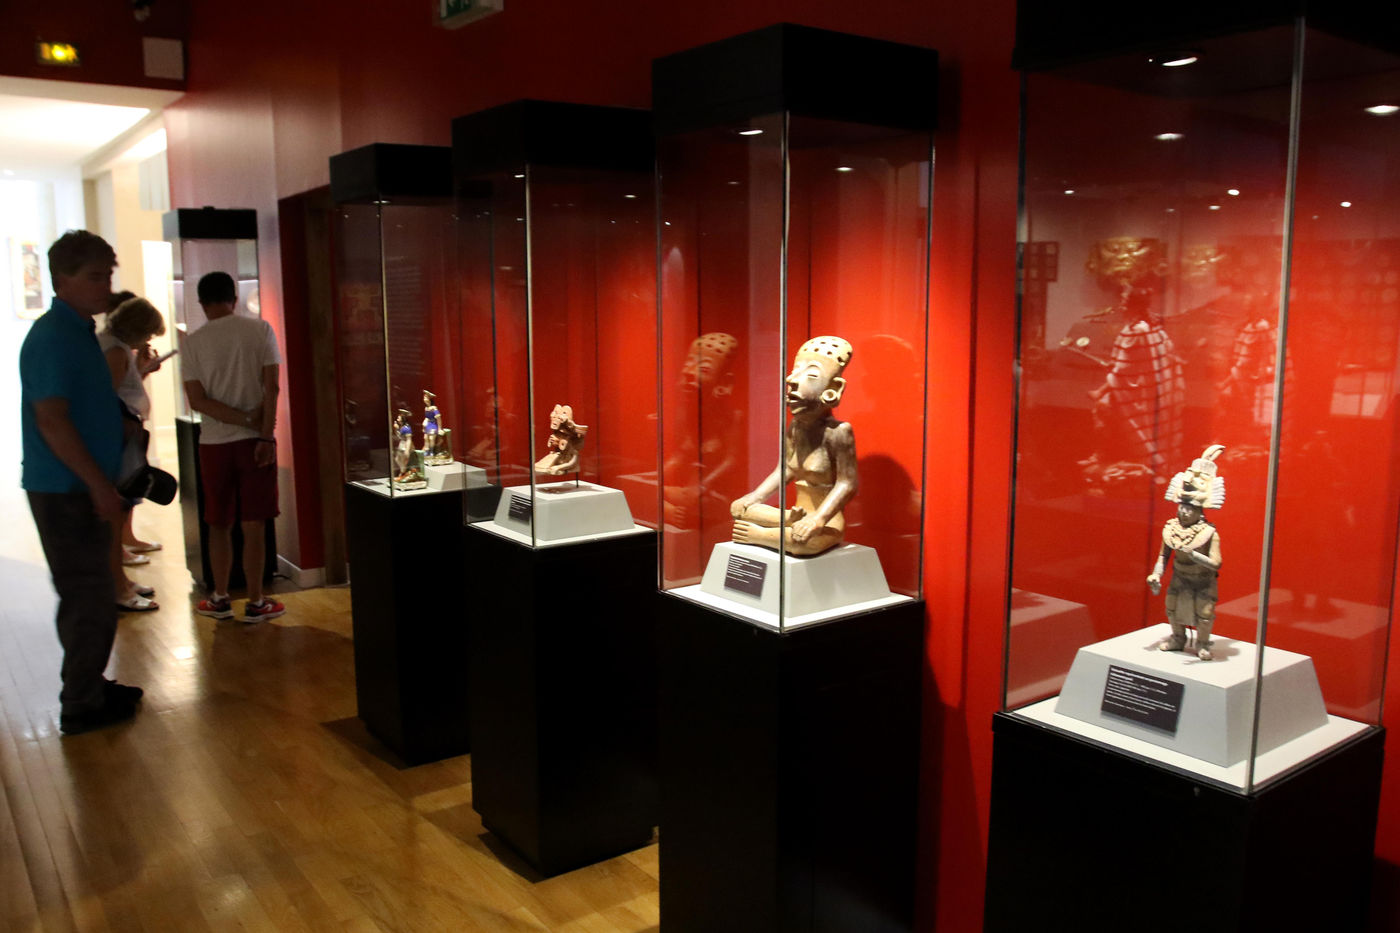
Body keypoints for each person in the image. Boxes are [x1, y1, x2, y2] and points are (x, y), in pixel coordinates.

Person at [20, 230, 143, 734]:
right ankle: (81, 702)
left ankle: (91, 683)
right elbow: (51, 419)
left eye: (108, 275)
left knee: (95, 591)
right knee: (87, 597)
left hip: (79, 486)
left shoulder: (78, 332)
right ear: (62, 279)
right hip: (65, 489)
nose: (105, 286)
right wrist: (97, 484)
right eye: (95, 277)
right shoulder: (53, 336)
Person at [181, 271, 285, 622]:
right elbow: (272, 387)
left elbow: (197, 400)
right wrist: (262, 432)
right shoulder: (260, 330)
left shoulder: (193, 343)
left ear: (201, 303)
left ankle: (220, 597)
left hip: (213, 443)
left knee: (218, 522)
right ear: (235, 298)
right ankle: (256, 601)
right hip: (255, 442)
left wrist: (241, 419)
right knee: (254, 523)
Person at [730, 335, 858, 556]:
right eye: (795, 371)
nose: (791, 379)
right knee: (738, 508)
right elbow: (785, 469)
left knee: (803, 544)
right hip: (796, 516)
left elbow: (847, 484)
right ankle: (787, 521)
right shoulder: (796, 427)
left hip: (825, 523)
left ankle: (761, 535)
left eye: (811, 375)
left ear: (834, 388)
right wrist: (756, 496)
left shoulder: (839, 432)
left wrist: (818, 519)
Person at [99, 295, 167, 611]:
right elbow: (107, 399)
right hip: (117, 441)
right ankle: (118, 586)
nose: (148, 339)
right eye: (148, 333)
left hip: (118, 438)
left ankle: (121, 581)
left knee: (118, 510)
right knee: (116, 511)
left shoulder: (112, 345)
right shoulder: (115, 350)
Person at [1147, 445, 1226, 660]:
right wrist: (1156, 574)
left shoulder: (1209, 532)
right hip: (1180, 576)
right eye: (1182, 508)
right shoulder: (1171, 528)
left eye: (1189, 509)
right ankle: (1178, 638)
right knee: (1171, 607)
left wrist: (1195, 556)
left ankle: (1202, 643)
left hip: (1203, 580)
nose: (1183, 512)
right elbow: (1163, 556)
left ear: (1199, 511)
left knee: (1205, 613)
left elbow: (1216, 563)